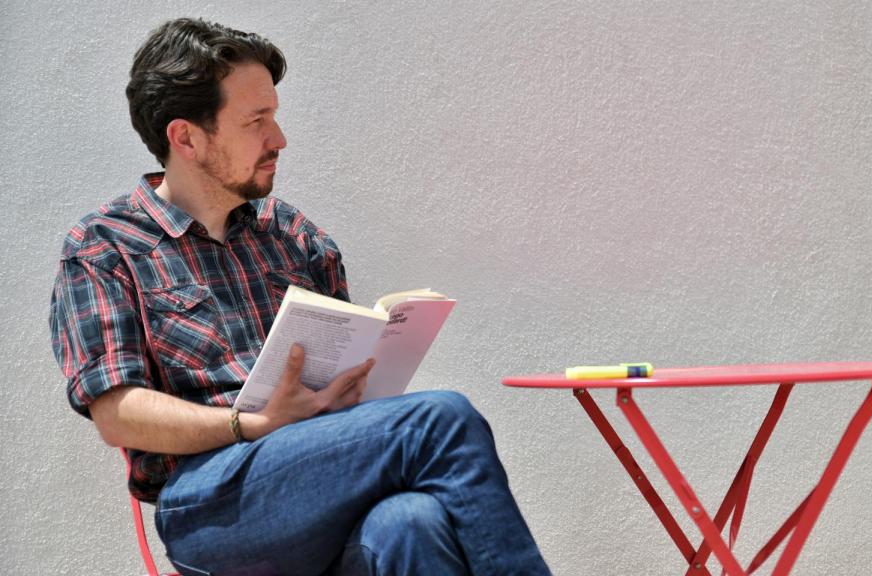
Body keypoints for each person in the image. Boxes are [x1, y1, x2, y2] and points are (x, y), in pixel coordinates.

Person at [49, 17, 550, 576]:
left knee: (412, 522)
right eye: (256, 121)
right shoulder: (105, 247)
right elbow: (117, 414)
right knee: (439, 419)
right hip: (210, 496)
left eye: (275, 117)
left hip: (317, 475)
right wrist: (250, 424)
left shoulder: (296, 238)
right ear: (185, 136)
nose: (278, 139)